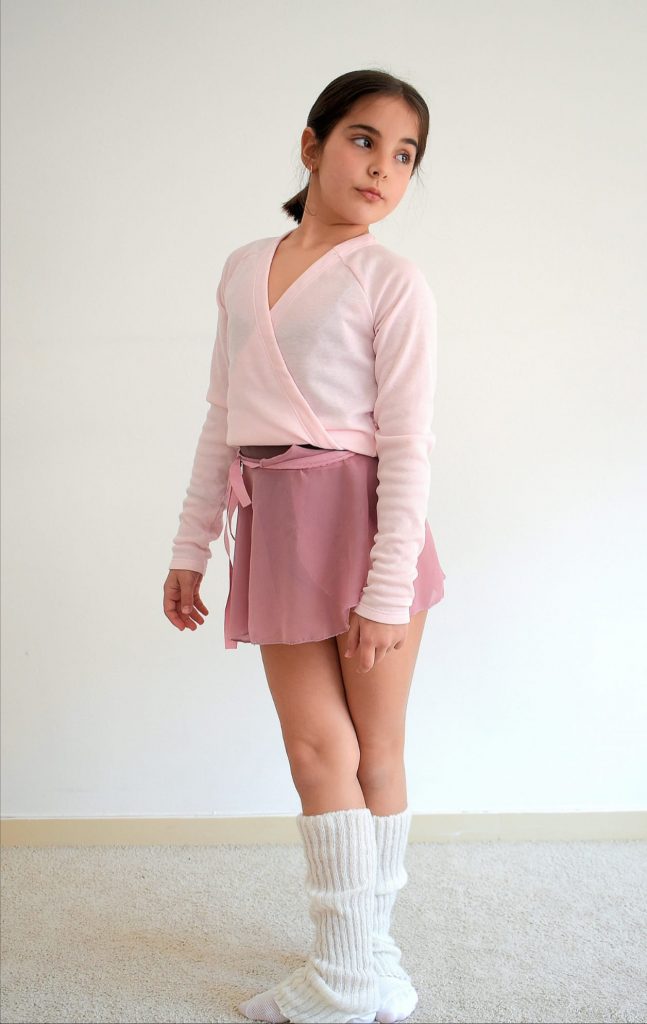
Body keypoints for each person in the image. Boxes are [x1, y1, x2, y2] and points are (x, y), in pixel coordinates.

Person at [163, 68, 446, 1024]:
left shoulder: (392, 281)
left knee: (376, 749)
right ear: (312, 144)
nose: (382, 168)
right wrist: (190, 545)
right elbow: (222, 416)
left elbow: (407, 442)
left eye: (404, 155)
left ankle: (363, 962)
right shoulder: (244, 266)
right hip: (275, 526)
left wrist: (385, 587)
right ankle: (349, 970)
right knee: (313, 745)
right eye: (364, 140)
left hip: (367, 527)